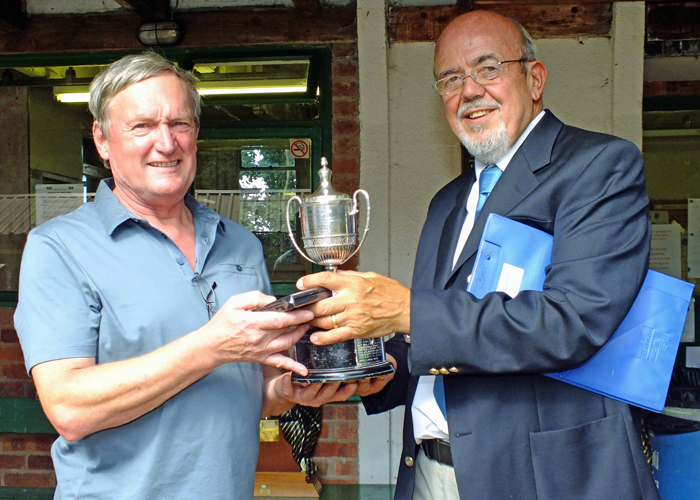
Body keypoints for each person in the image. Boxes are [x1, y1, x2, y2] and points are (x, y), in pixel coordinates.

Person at [296, 11, 660, 500]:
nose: (468, 90)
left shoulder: (598, 167)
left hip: (541, 479)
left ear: (534, 78)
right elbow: (440, 339)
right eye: (450, 79)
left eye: (488, 69)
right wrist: (377, 373)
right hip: (428, 471)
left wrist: (405, 310)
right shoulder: (448, 200)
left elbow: (573, 321)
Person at [14, 52, 377, 499]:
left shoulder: (239, 243)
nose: (166, 143)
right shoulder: (59, 247)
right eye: (142, 126)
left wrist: (291, 390)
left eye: (179, 124)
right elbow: (69, 408)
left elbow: (244, 389)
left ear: (196, 133)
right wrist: (211, 346)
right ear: (103, 140)